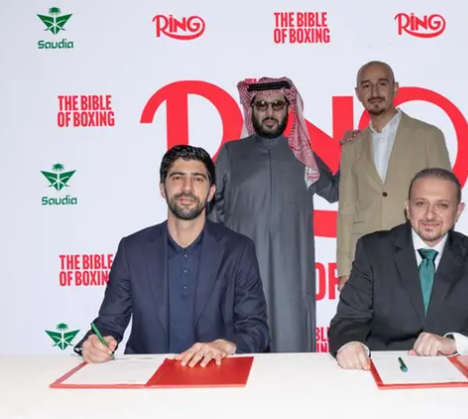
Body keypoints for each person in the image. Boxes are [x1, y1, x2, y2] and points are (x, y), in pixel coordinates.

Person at [75, 145, 270, 367]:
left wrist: (224, 345)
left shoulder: (238, 249)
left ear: (211, 192)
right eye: (177, 178)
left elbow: (256, 329)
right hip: (146, 376)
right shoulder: (133, 250)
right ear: (162, 188)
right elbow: (108, 324)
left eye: (198, 179)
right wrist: (93, 344)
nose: (187, 188)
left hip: (215, 375)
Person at [329, 168, 468, 369]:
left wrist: (453, 343)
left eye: (442, 205)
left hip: (454, 374)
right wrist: (350, 344)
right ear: (407, 207)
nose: (430, 215)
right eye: (421, 204)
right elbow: (348, 319)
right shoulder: (373, 250)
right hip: (386, 370)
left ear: (458, 211)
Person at [208, 77, 339, 353]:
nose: (269, 112)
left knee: (291, 352)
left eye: (277, 105)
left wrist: (354, 151)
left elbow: (335, 191)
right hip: (240, 275)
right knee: (241, 351)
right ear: (251, 110)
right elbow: (210, 212)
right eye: (262, 106)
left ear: (288, 109)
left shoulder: (304, 157)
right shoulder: (232, 154)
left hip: (291, 277)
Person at [337, 61, 452, 291]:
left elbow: (445, 201)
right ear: (358, 93)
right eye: (366, 86)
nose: (375, 92)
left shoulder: (428, 136)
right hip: (368, 263)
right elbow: (346, 210)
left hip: (418, 257)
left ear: (395, 88)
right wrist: (345, 270)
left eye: (382, 84)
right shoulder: (351, 148)